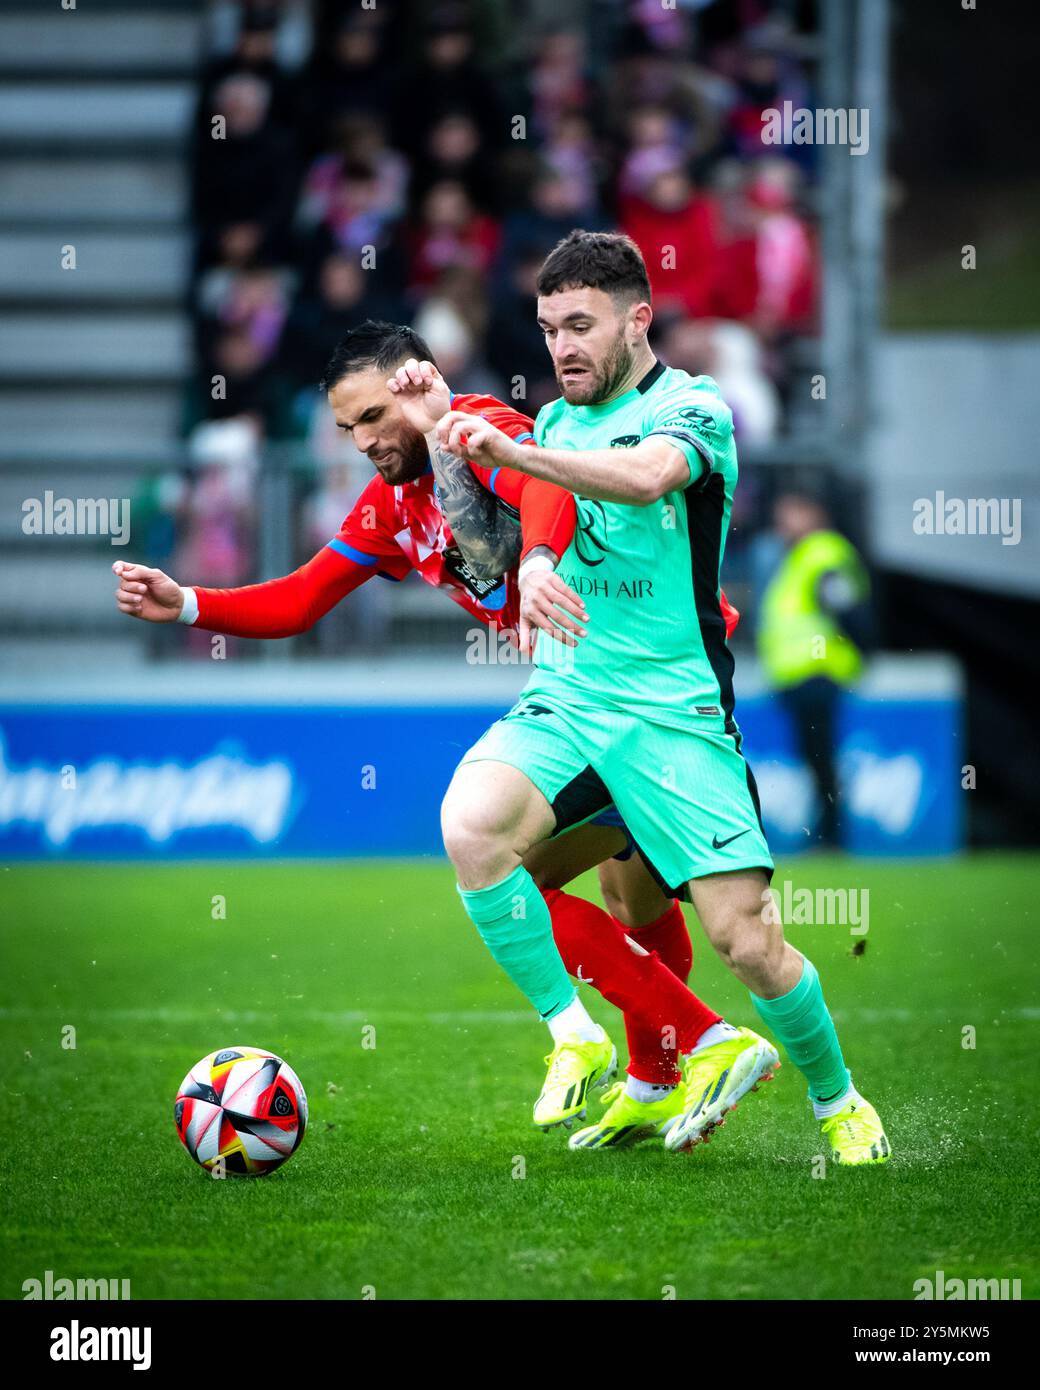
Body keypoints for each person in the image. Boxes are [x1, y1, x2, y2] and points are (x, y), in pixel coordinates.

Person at [113, 320, 749, 1148]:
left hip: (660, 682)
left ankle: (705, 1044)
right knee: (611, 891)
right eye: (349, 429)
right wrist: (191, 602)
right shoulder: (389, 504)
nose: (367, 441)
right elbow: (304, 598)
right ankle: (666, 1071)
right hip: (585, 694)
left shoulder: (481, 425)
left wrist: (536, 564)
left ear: (416, 381)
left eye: (376, 415)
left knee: (529, 870)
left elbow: (550, 490)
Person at [429, 232, 890, 1164]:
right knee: (476, 835)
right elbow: (523, 531)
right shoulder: (551, 426)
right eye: (549, 326)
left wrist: (520, 459)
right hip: (569, 701)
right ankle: (589, 1040)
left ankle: (839, 1101)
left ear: (638, 319)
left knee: (745, 941)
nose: (561, 347)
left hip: (674, 712)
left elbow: (642, 480)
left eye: (581, 325)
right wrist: (525, 550)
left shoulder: (696, 408)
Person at [757, 492, 871, 848]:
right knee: (814, 757)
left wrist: (861, 650)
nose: (783, 522)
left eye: (791, 512)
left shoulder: (822, 551)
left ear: (815, 512)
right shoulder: (800, 556)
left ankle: (832, 835)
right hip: (799, 675)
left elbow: (847, 608)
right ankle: (827, 832)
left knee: (821, 757)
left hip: (817, 672)